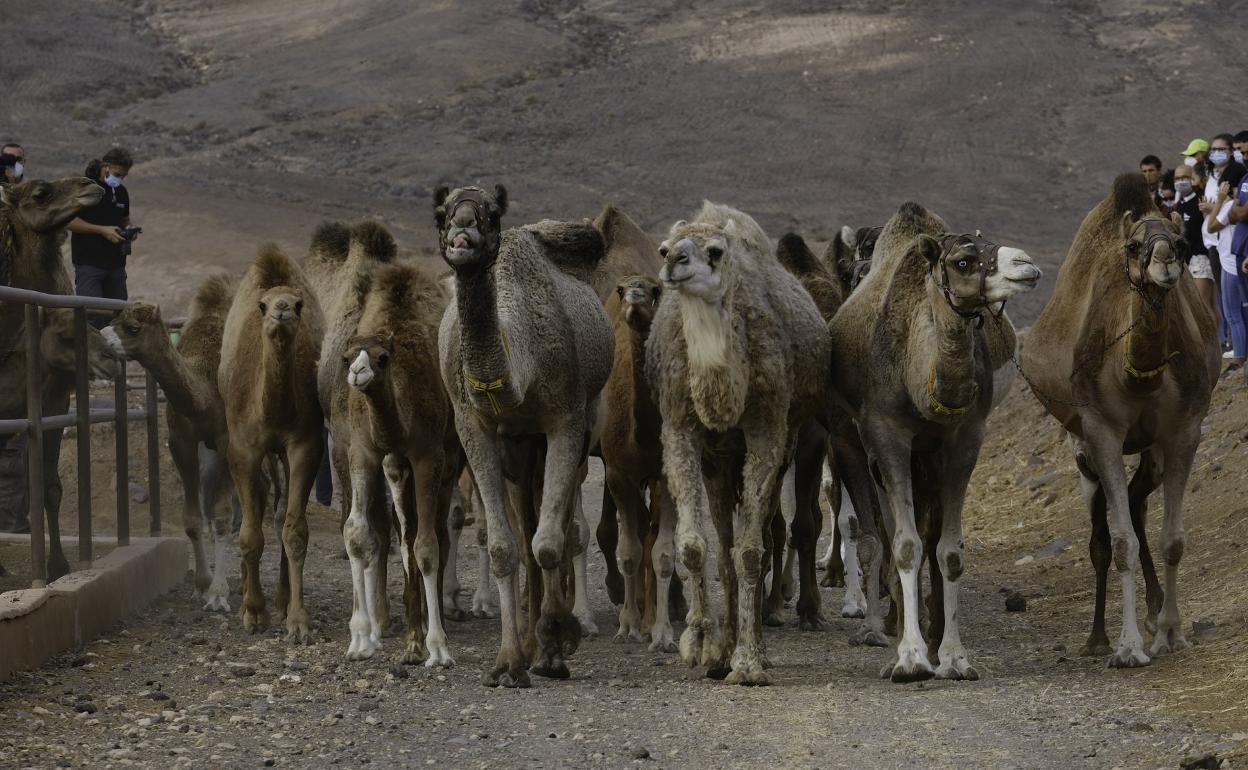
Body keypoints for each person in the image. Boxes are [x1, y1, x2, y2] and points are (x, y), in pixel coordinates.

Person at [66, 148, 139, 310]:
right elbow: (69, 221)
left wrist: (129, 229)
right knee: (93, 314)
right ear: (106, 166)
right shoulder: (85, 188)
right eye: (118, 174)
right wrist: (102, 230)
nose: (120, 179)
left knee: (118, 315)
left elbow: (124, 219)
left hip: (116, 264)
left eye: (124, 176)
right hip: (89, 263)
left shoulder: (121, 191)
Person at [1206, 177, 1246, 369]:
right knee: (1237, 313)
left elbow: (1211, 226)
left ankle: (1239, 358)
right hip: (1230, 262)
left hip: (1231, 265)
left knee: (1233, 314)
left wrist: (1220, 200)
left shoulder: (1230, 206)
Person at [1175, 163, 1219, 322]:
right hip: (1187, 260)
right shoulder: (1179, 205)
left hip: (1202, 257)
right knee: (1205, 305)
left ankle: (1213, 343)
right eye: (1177, 178)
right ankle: (1217, 343)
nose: (1181, 181)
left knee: (1204, 305)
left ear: (1192, 178)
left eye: (1185, 177)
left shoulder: (1201, 199)